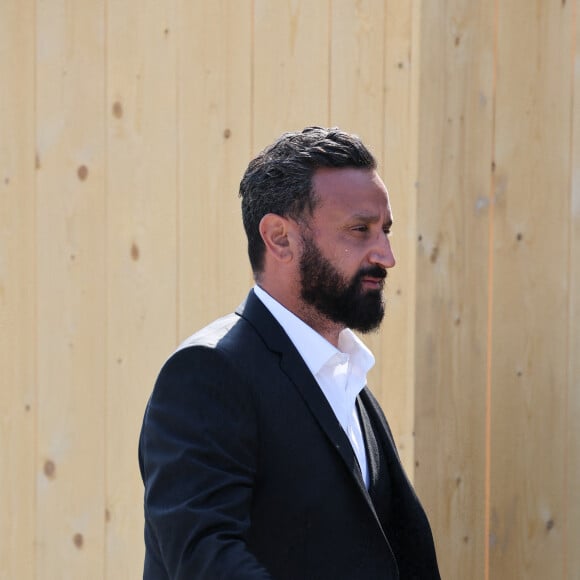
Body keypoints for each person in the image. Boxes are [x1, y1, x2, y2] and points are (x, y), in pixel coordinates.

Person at [138, 127, 440, 579]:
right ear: (279, 239)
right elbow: (205, 559)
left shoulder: (349, 382)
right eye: (361, 230)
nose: (387, 255)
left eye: (386, 230)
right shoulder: (207, 374)